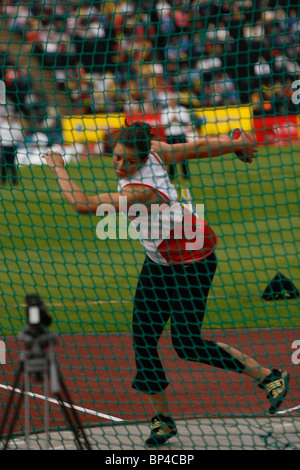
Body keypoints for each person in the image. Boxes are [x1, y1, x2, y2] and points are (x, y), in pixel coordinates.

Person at [42, 121, 290, 447]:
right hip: (160, 262)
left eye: (128, 162)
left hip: (193, 262)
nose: (120, 166)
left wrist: (58, 166)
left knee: (186, 344)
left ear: (143, 158)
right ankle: (162, 420)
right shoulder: (155, 153)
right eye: (117, 158)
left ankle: (270, 377)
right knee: (143, 340)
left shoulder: (139, 191)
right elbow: (199, 149)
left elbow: (82, 204)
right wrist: (236, 144)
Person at [160, 93, 192, 180]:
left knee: (183, 155)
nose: (172, 102)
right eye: (171, 100)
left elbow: (187, 123)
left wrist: (178, 120)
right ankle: (171, 176)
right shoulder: (165, 111)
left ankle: (185, 175)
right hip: (170, 136)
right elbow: (163, 126)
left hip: (181, 134)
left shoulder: (182, 109)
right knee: (170, 157)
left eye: (174, 100)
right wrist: (171, 121)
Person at [0, 114, 22, 186]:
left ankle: (14, 181)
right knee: (3, 164)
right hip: (4, 146)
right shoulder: (3, 125)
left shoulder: (16, 125)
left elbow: (19, 135)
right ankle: (3, 180)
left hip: (12, 146)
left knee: (12, 164)